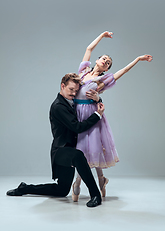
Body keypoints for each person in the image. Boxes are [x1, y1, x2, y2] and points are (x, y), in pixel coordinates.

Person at [72, 31, 153, 201]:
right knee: (80, 148)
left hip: (92, 114)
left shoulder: (105, 80)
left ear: (107, 69)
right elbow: (89, 48)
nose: (105, 62)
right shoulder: (83, 71)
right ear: (97, 60)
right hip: (77, 113)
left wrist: (138, 59)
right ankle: (95, 181)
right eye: (104, 59)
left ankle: (82, 182)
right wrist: (101, 35)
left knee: (92, 148)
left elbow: (123, 71)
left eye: (108, 63)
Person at [6, 73, 105, 208]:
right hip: (61, 150)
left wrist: (98, 100)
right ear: (62, 86)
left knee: (62, 191)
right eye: (71, 89)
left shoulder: (71, 102)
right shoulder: (58, 106)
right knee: (77, 155)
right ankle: (95, 195)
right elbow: (77, 127)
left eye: (76, 91)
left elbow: (85, 104)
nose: (74, 93)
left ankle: (25, 188)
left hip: (70, 149)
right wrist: (97, 115)